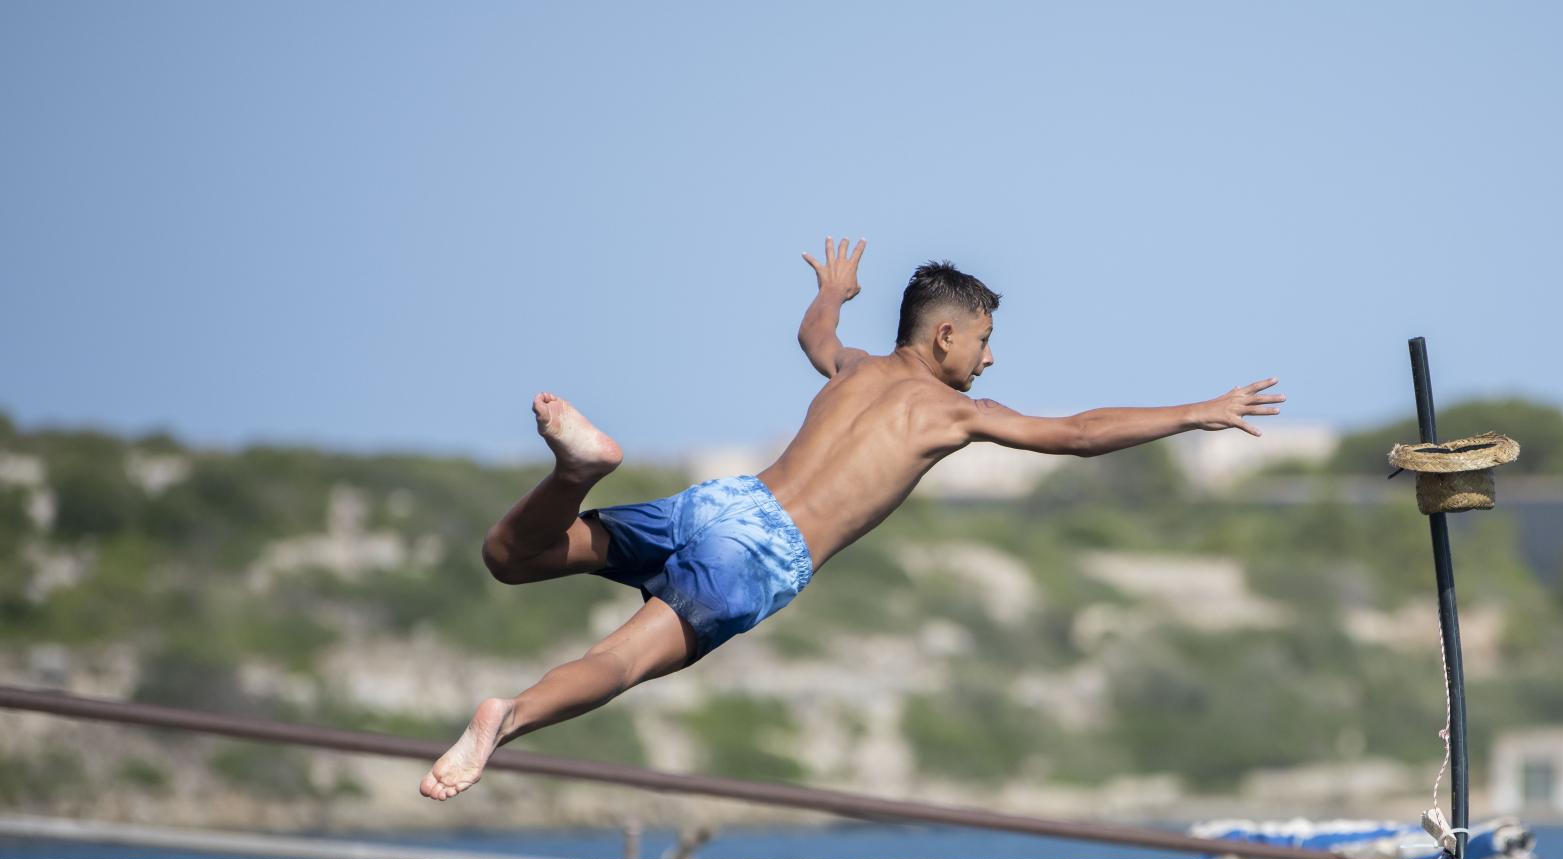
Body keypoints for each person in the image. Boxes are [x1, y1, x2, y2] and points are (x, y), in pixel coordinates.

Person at [420, 239, 1285, 799]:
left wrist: (834, 290)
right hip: (761, 554)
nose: (992, 358)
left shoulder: (855, 368)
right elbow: (1077, 434)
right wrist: (1193, 411)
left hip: (727, 499)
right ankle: (510, 716)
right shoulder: (950, 413)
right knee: (618, 659)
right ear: (945, 337)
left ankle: (576, 472)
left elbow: (812, 335)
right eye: (984, 341)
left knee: (513, 556)